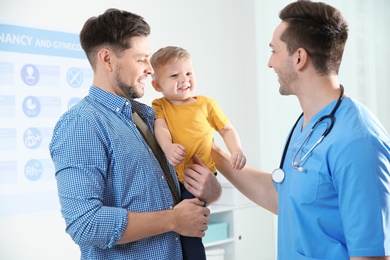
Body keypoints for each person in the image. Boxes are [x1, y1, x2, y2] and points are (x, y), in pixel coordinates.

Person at [211, 1, 390, 259]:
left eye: (274, 51)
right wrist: (212, 151)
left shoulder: (358, 142)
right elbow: (283, 198)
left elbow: (369, 255)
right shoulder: (310, 123)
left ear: (299, 58)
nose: (269, 63)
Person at [49, 9, 222, 260]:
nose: (150, 69)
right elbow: (84, 223)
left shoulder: (152, 117)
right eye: (141, 59)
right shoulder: (81, 124)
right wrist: (172, 220)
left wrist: (212, 191)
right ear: (107, 59)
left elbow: (179, 193)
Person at [149, 46, 246, 260]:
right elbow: (160, 128)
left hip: (198, 179)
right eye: (174, 75)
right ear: (157, 85)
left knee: (190, 233)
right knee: (168, 229)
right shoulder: (160, 105)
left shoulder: (206, 104)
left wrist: (236, 150)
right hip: (171, 179)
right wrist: (168, 147)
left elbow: (226, 129)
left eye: (189, 73)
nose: (184, 79)